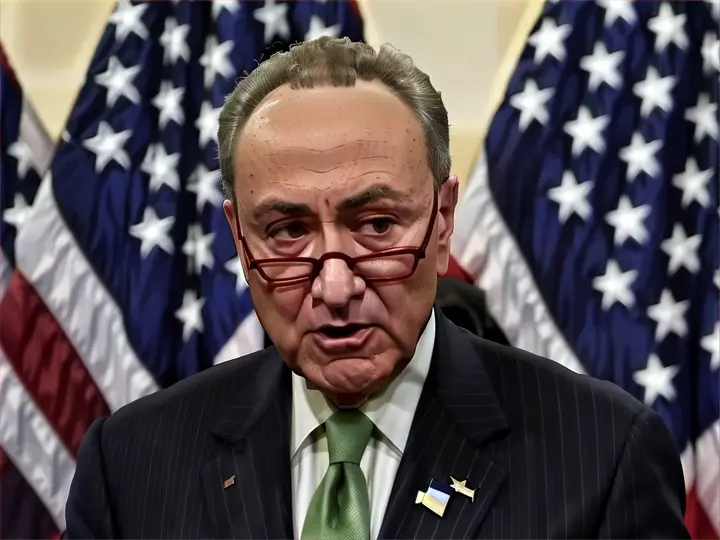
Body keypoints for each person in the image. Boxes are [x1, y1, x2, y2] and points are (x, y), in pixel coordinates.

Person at [64, 37, 689, 539]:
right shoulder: (130, 464)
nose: (335, 287)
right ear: (237, 235)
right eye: (286, 230)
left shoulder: (601, 455)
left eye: (378, 226)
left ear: (442, 223)